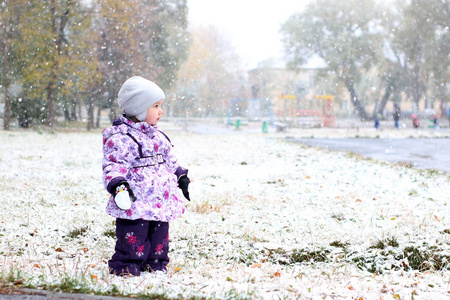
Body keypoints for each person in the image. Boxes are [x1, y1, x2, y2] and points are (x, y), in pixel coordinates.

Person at [102, 76, 191, 276]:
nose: (161, 111)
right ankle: (127, 265)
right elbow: (113, 165)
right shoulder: (121, 138)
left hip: (160, 200)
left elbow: (170, 159)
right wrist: (118, 186)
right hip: (136, 200)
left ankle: (156, 264)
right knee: (134, 235)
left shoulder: (159, 136)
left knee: (159, 236)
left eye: (161, 105)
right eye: (156, 106)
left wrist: (181, 176)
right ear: (139, 110)